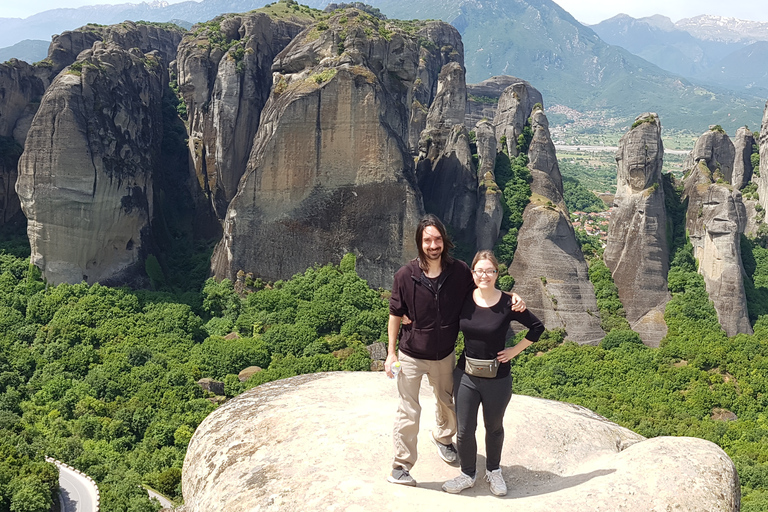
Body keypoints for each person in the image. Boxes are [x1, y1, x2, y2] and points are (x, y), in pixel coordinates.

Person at [385, 215, 525, 486]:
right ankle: (401, 466)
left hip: (445, 354)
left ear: (444, 241)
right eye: (427, 240)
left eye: (437, 239)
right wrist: (391, 353)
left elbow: (485, 289)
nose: (433, 245)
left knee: (447, 403)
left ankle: (443, 438)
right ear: (419, 242)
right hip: (411, 354)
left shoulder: (459, 271)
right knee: (408, 409)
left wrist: (512, 297)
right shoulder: (405, 275)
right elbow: (394, 313)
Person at [442, 250, 544, 496]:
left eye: (490, 270)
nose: (484, 275)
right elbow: (437, 307)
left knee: (494, 426)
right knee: (465, 429)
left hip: (497, 378)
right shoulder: (464, 297)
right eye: (480, 270)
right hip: (465, 375)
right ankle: (468, 474)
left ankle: (494, 470)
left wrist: (514, 351)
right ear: (473, 273)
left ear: (497, 273)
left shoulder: (509, 303)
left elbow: (536, 327)